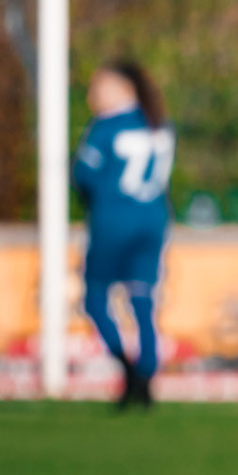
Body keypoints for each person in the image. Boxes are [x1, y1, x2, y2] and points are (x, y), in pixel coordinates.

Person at [71, 59, 175, 409]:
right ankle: (146, 374)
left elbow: (83, 176)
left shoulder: (106, 126)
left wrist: (96, 205)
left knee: (95, 298)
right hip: (153, 219)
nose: (92, 96)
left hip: (114, 219)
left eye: (99, 88)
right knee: (143, 300)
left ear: (124, 90)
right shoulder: (161, 124)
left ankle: (128, 371)